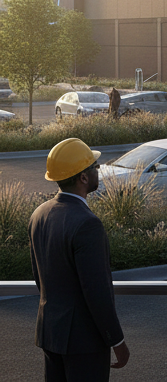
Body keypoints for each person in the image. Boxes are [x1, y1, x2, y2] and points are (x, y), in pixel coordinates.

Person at [28, 137, 130, 381]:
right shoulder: (87, 224)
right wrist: (117, 341)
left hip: (50, 333)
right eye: (94, 167)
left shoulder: (39, 214)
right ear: (83, 178)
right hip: (84, 343)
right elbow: (97, 292)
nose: (98, 171)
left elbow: (39, 277)